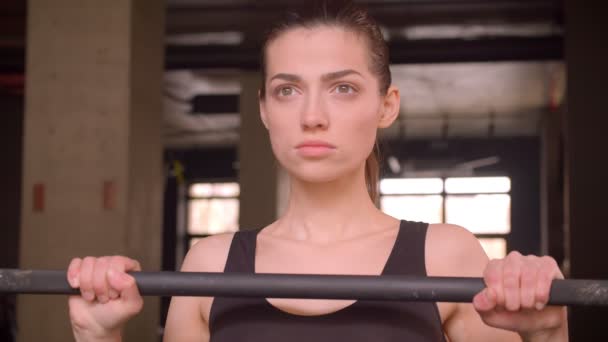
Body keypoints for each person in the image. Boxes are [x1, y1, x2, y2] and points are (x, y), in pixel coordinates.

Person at [66, 1, 568, 341]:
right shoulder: (208, 264)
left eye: (343, 87)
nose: (312, 115)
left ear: (387, 105)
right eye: (287, 89)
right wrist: (96, 335)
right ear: (264, 108)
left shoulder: (447, 254)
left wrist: (548, 332)